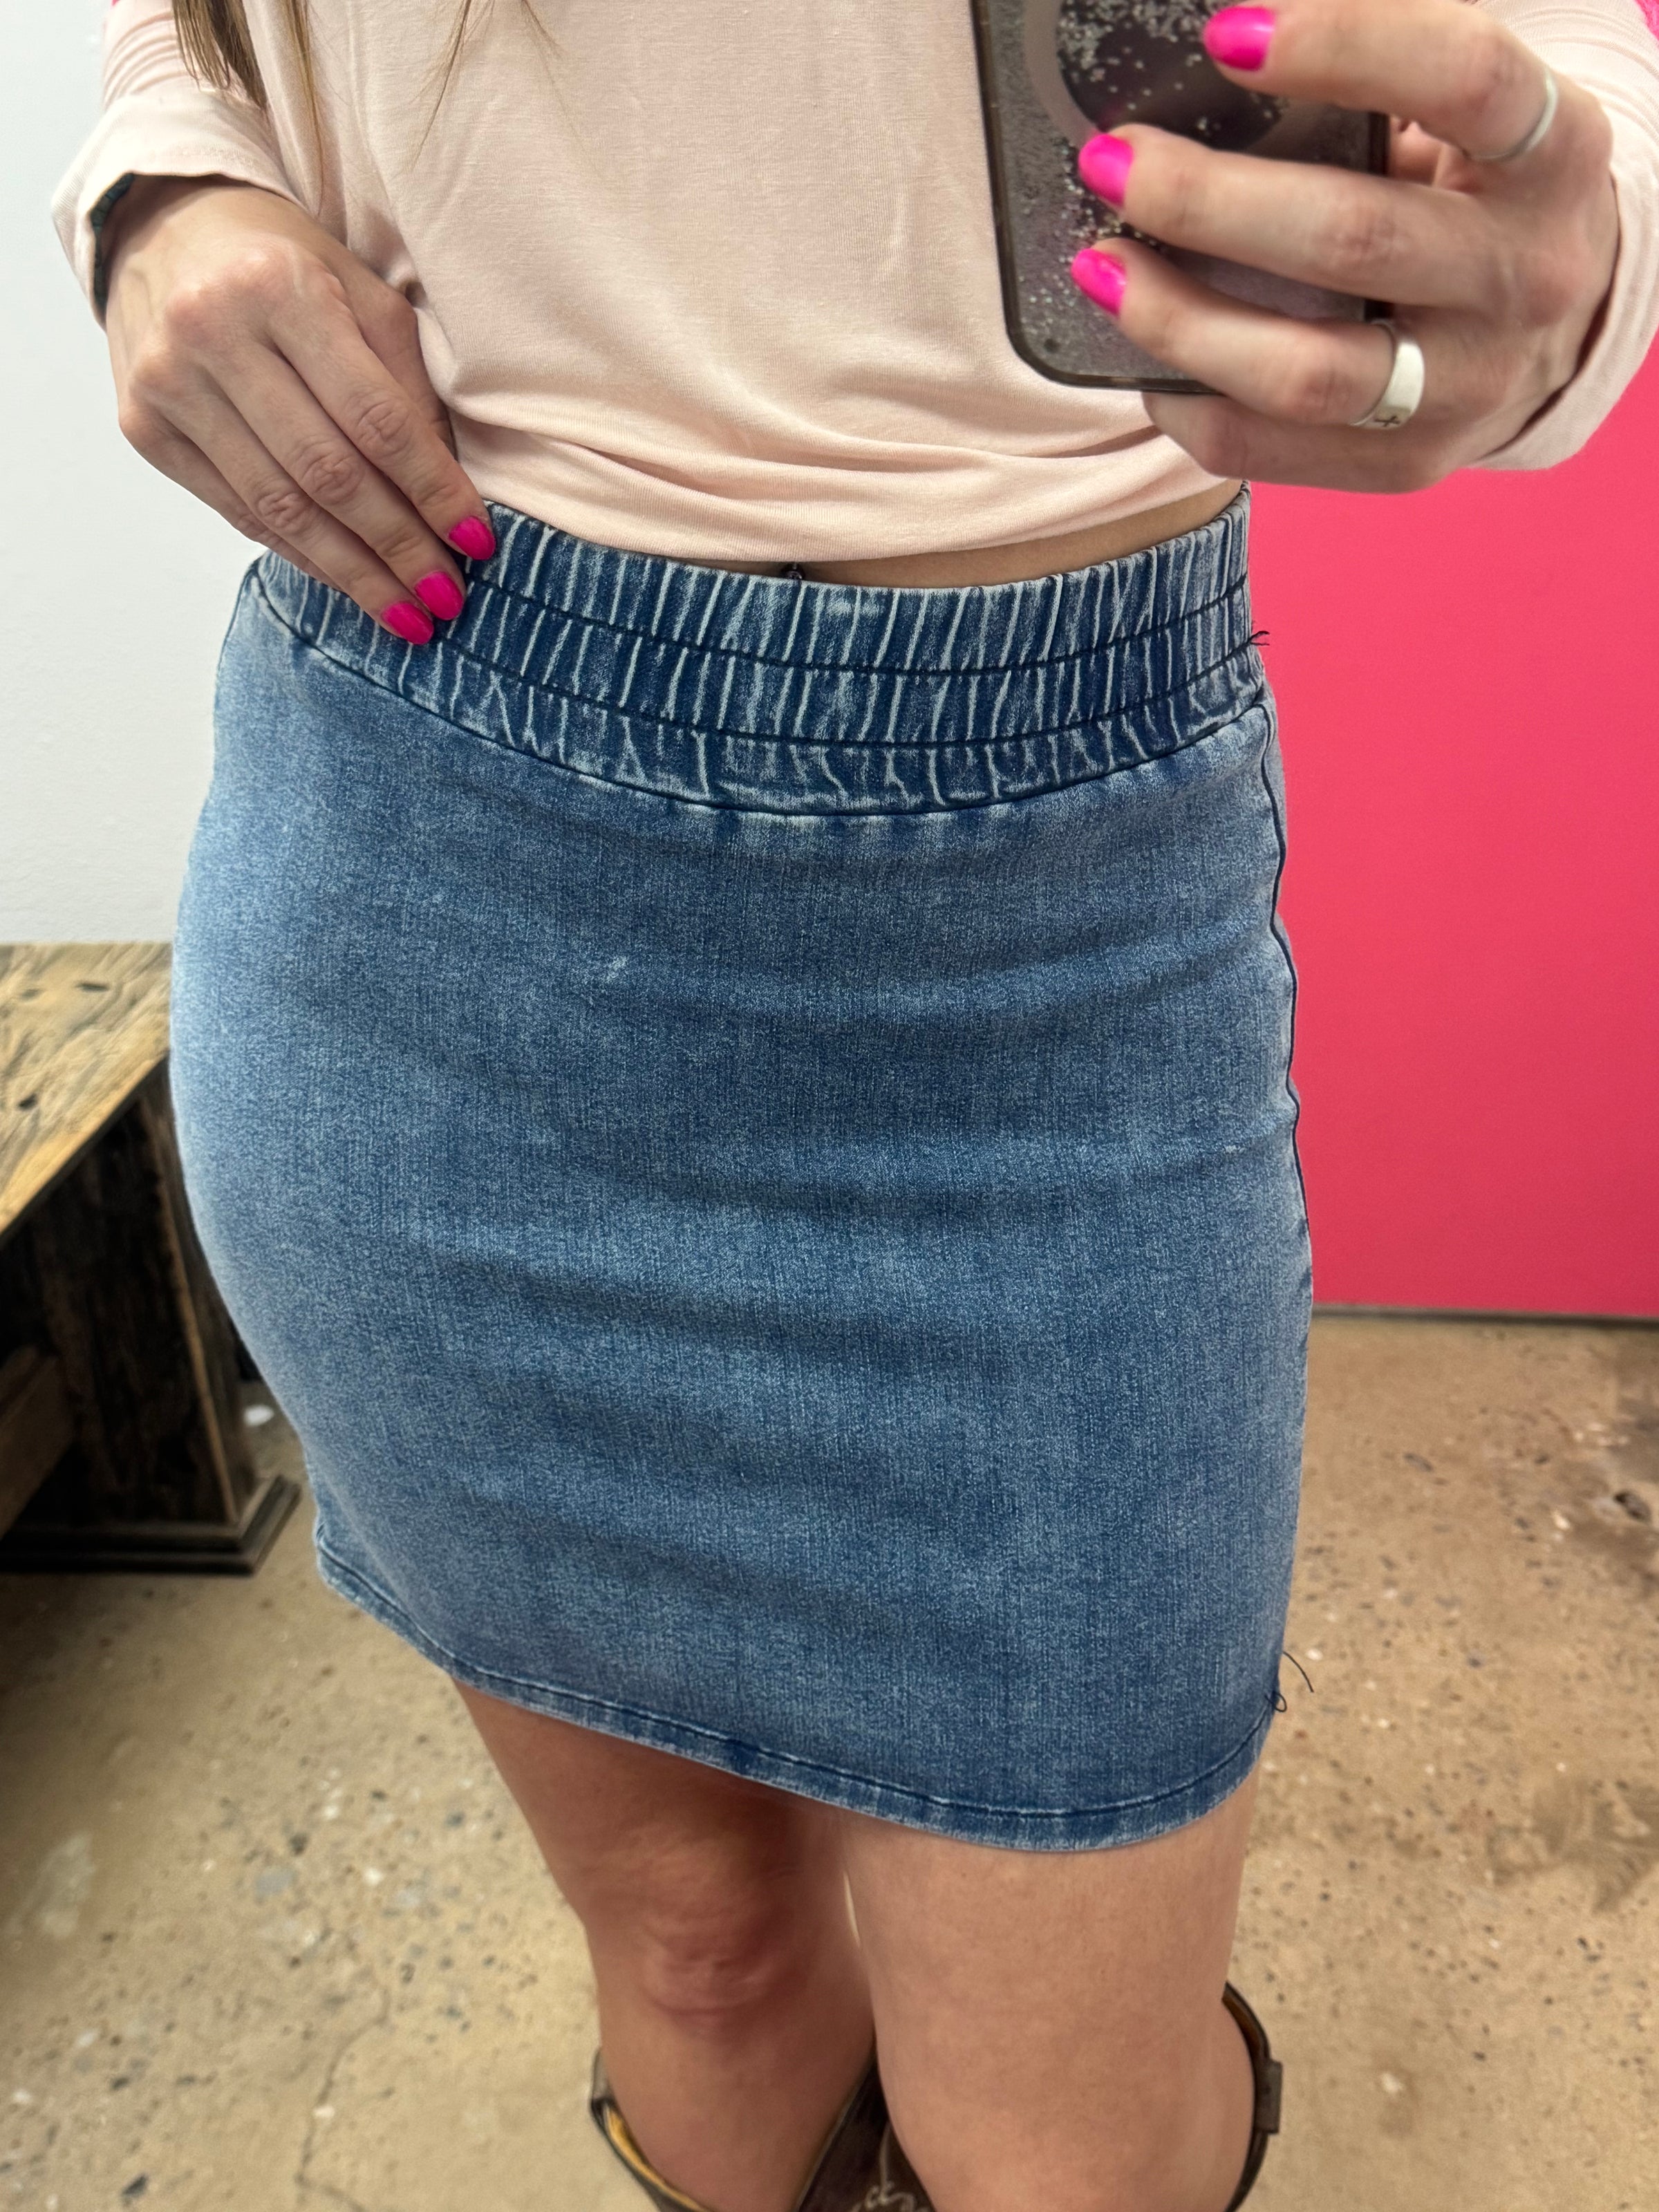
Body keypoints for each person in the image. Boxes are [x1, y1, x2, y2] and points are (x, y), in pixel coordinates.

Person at [53, 3, 1659, 2209]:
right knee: (697, 1956)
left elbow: (1563, 76)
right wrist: (161, 183)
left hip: (1055, 925)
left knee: (1064, 2156)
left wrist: (1578, 244)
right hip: (437, 868)